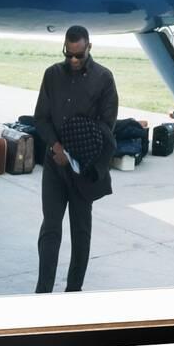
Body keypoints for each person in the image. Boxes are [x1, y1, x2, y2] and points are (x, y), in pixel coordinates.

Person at [34, 25, 118, 293]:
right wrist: (56, 147)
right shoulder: (52, 75)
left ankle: (73, 291)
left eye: (78, 55)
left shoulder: (104, 78)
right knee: (50, 228)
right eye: (68, 54)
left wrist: (78, 149)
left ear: (89, 48)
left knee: (80, 233)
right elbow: (41, 117)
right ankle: (43, 290)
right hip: (54, 166)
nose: (72, 60)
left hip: (83, 169)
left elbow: (108, 125)